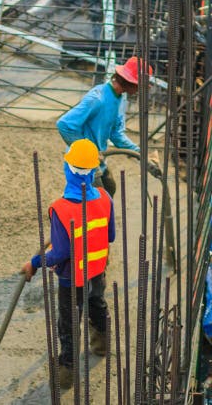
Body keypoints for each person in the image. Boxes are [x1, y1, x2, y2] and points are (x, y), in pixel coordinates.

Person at [21, 139, 115, 391]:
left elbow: (59, 253)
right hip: (97, 270)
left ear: (68, 169)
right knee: (97, 304)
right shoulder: (105, 198)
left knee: (69, 324)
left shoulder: (60, 208)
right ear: (93, 171)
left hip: (71, 279)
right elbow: (110, 235)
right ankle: (102, 345)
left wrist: (34, 262)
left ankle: (66, 374)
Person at [56, 55, 159, 197]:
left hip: (98, 159)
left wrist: (140, 153)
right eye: (139, 86)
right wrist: (87, 151)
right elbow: (64, 124)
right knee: (95, 200)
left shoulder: (120, 98)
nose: (139, 90)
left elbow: (116, 134)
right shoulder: (97, 99)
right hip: (81, 163)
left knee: (110, 188)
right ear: (130, 82)